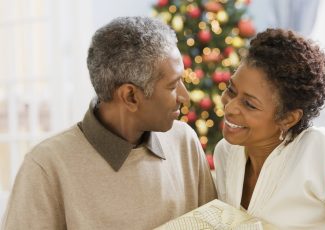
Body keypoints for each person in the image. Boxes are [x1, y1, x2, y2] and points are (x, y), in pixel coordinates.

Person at [2, 17, 216, 230]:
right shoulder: (46, 166)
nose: (185, 96)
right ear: (130, 96)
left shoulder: (184, 141)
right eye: (172, 86)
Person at [214, 28, 325, 229]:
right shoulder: (226, 152)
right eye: (231, 91)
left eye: (249, 104)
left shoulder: (323, 153)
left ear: (287, 118)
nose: (230, 107)